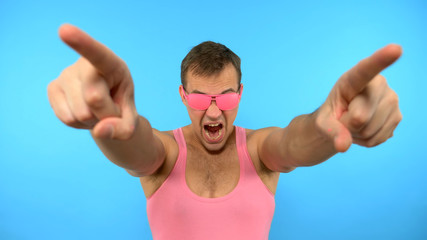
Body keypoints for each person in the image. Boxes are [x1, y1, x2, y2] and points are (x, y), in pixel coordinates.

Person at [47, 24, 403, 240]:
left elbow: (294, 142)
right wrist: (111, 121)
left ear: (241, 94)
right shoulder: (166, 151)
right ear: (183, 96)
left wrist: (329, 123)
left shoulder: (261, 150)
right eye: (200, 99)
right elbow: (138, 147)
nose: (214, 110)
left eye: (226, 96)